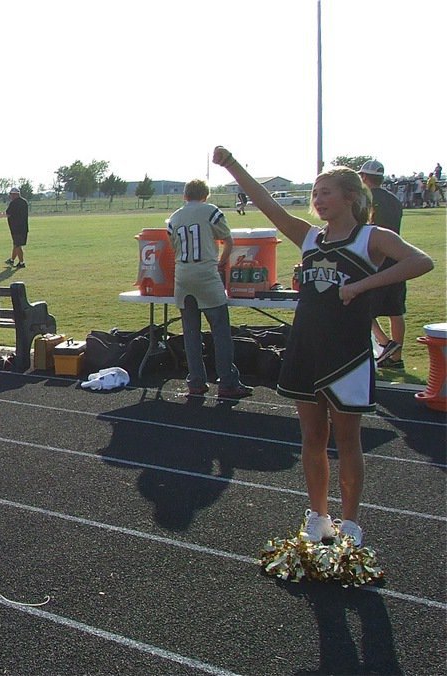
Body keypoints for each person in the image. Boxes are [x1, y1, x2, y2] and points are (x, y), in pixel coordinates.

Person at [213, 146, 433, 547]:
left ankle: (350, 522)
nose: (318, 199)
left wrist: (363, 285)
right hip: (305, 349)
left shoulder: (372, 237)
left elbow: (421, 262)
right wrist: (232, 166)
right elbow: (267, 205)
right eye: (315, 192)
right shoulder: (309, 237)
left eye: (326, 191)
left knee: (347, 439)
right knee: (311, 438)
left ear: (351, 196)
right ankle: (318, 516)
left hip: (347, 353)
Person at [165, 180, 251, 399]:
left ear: (185, 195)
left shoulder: (174, 217)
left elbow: (174, 248)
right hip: (206, 275)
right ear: (206, 194)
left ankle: (196, 381)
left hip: (183, 277)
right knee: (221, 332)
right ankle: (227, 382)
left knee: (191, 333)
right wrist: (221, 263)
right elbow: (228, 241)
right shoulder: (211, 211)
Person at [358, 160, 407, 369]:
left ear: (365, 177)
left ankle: (384, 343)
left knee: (362, 308)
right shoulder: (394, 200)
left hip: (375, 260)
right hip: (397, 259)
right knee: (396, 311)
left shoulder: (364, 199)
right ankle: (395, 355)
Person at [4, 187, 29, 268]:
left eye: (11, 194)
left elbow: (8, 213)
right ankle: (12, 260)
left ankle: (21, 262)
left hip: (16, 227)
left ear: (15, 194)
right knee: (16, 244)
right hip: (24, 226)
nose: (11, 196)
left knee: (18, 245)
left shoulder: (13, 203)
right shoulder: (24, 202)